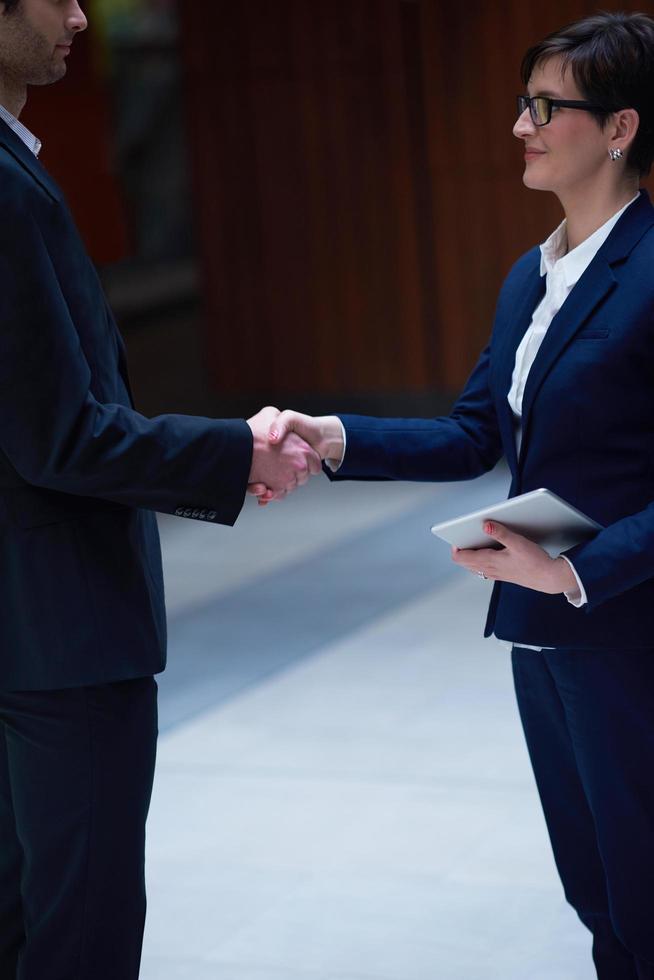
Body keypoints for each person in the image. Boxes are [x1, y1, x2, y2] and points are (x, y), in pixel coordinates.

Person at [253, 12, 654, 978]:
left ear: (620, 128)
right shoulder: (534, 275)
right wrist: (332, 436)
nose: (520, 126)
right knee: (596, 888)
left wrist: (577, 571)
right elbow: (475, 433)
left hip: (629, 632)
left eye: (544, 107)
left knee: (646, 895)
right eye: (523, 104)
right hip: (540, 631)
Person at [0, 1, 321, 977]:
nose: (80, 16)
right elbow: (59, 435)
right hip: (56, 625)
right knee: (76, 924)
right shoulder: (8, 192)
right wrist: (237, 453)